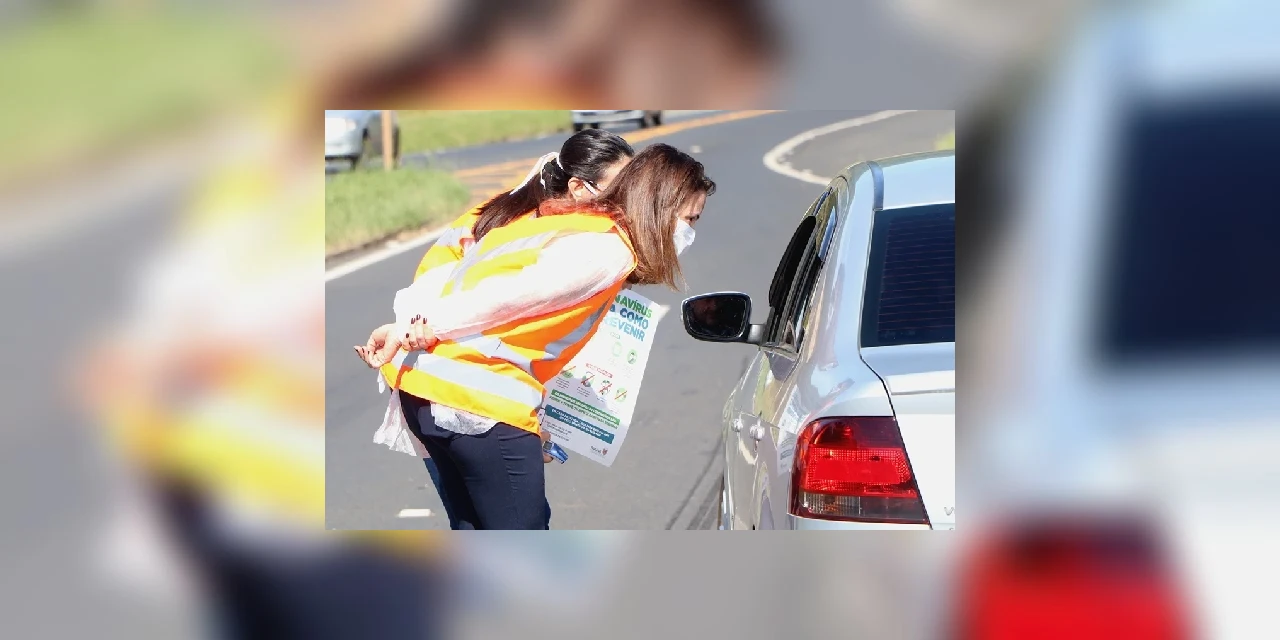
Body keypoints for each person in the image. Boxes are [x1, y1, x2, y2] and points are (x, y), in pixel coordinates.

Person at [357, 143, 714, 529]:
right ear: (658, 207)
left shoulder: (557, 225)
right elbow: (504, 299)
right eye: (689, 220)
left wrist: (408, 329)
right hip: (476, 405)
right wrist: (412, 331)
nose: (689, 233)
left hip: (427, 392)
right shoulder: (607, 248)